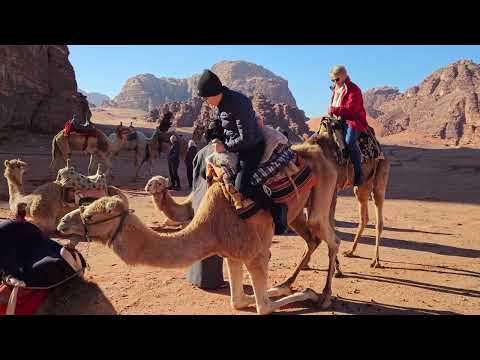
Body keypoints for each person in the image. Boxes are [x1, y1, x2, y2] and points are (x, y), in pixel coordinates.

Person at [196, 69, 288, 235]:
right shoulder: (221, 102)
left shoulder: (237, 104)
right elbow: (227, 125)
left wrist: (225, 147)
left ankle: (276, 209)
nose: (205, 101)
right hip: (235, 144)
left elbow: (246, 139)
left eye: (205, 97)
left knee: (242, 186)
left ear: (215, 93)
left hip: (251, 147)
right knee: (205, 170)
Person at [328, 65, 369, 186]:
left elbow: (351, 110)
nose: (335, 82)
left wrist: (334, 110)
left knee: (349, 141)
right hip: (337, 119)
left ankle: (359, 174)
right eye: (332, 80)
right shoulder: (336, 89)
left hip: (353, 120)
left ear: (344, 76)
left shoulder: (353, 89)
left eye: (336, 79)